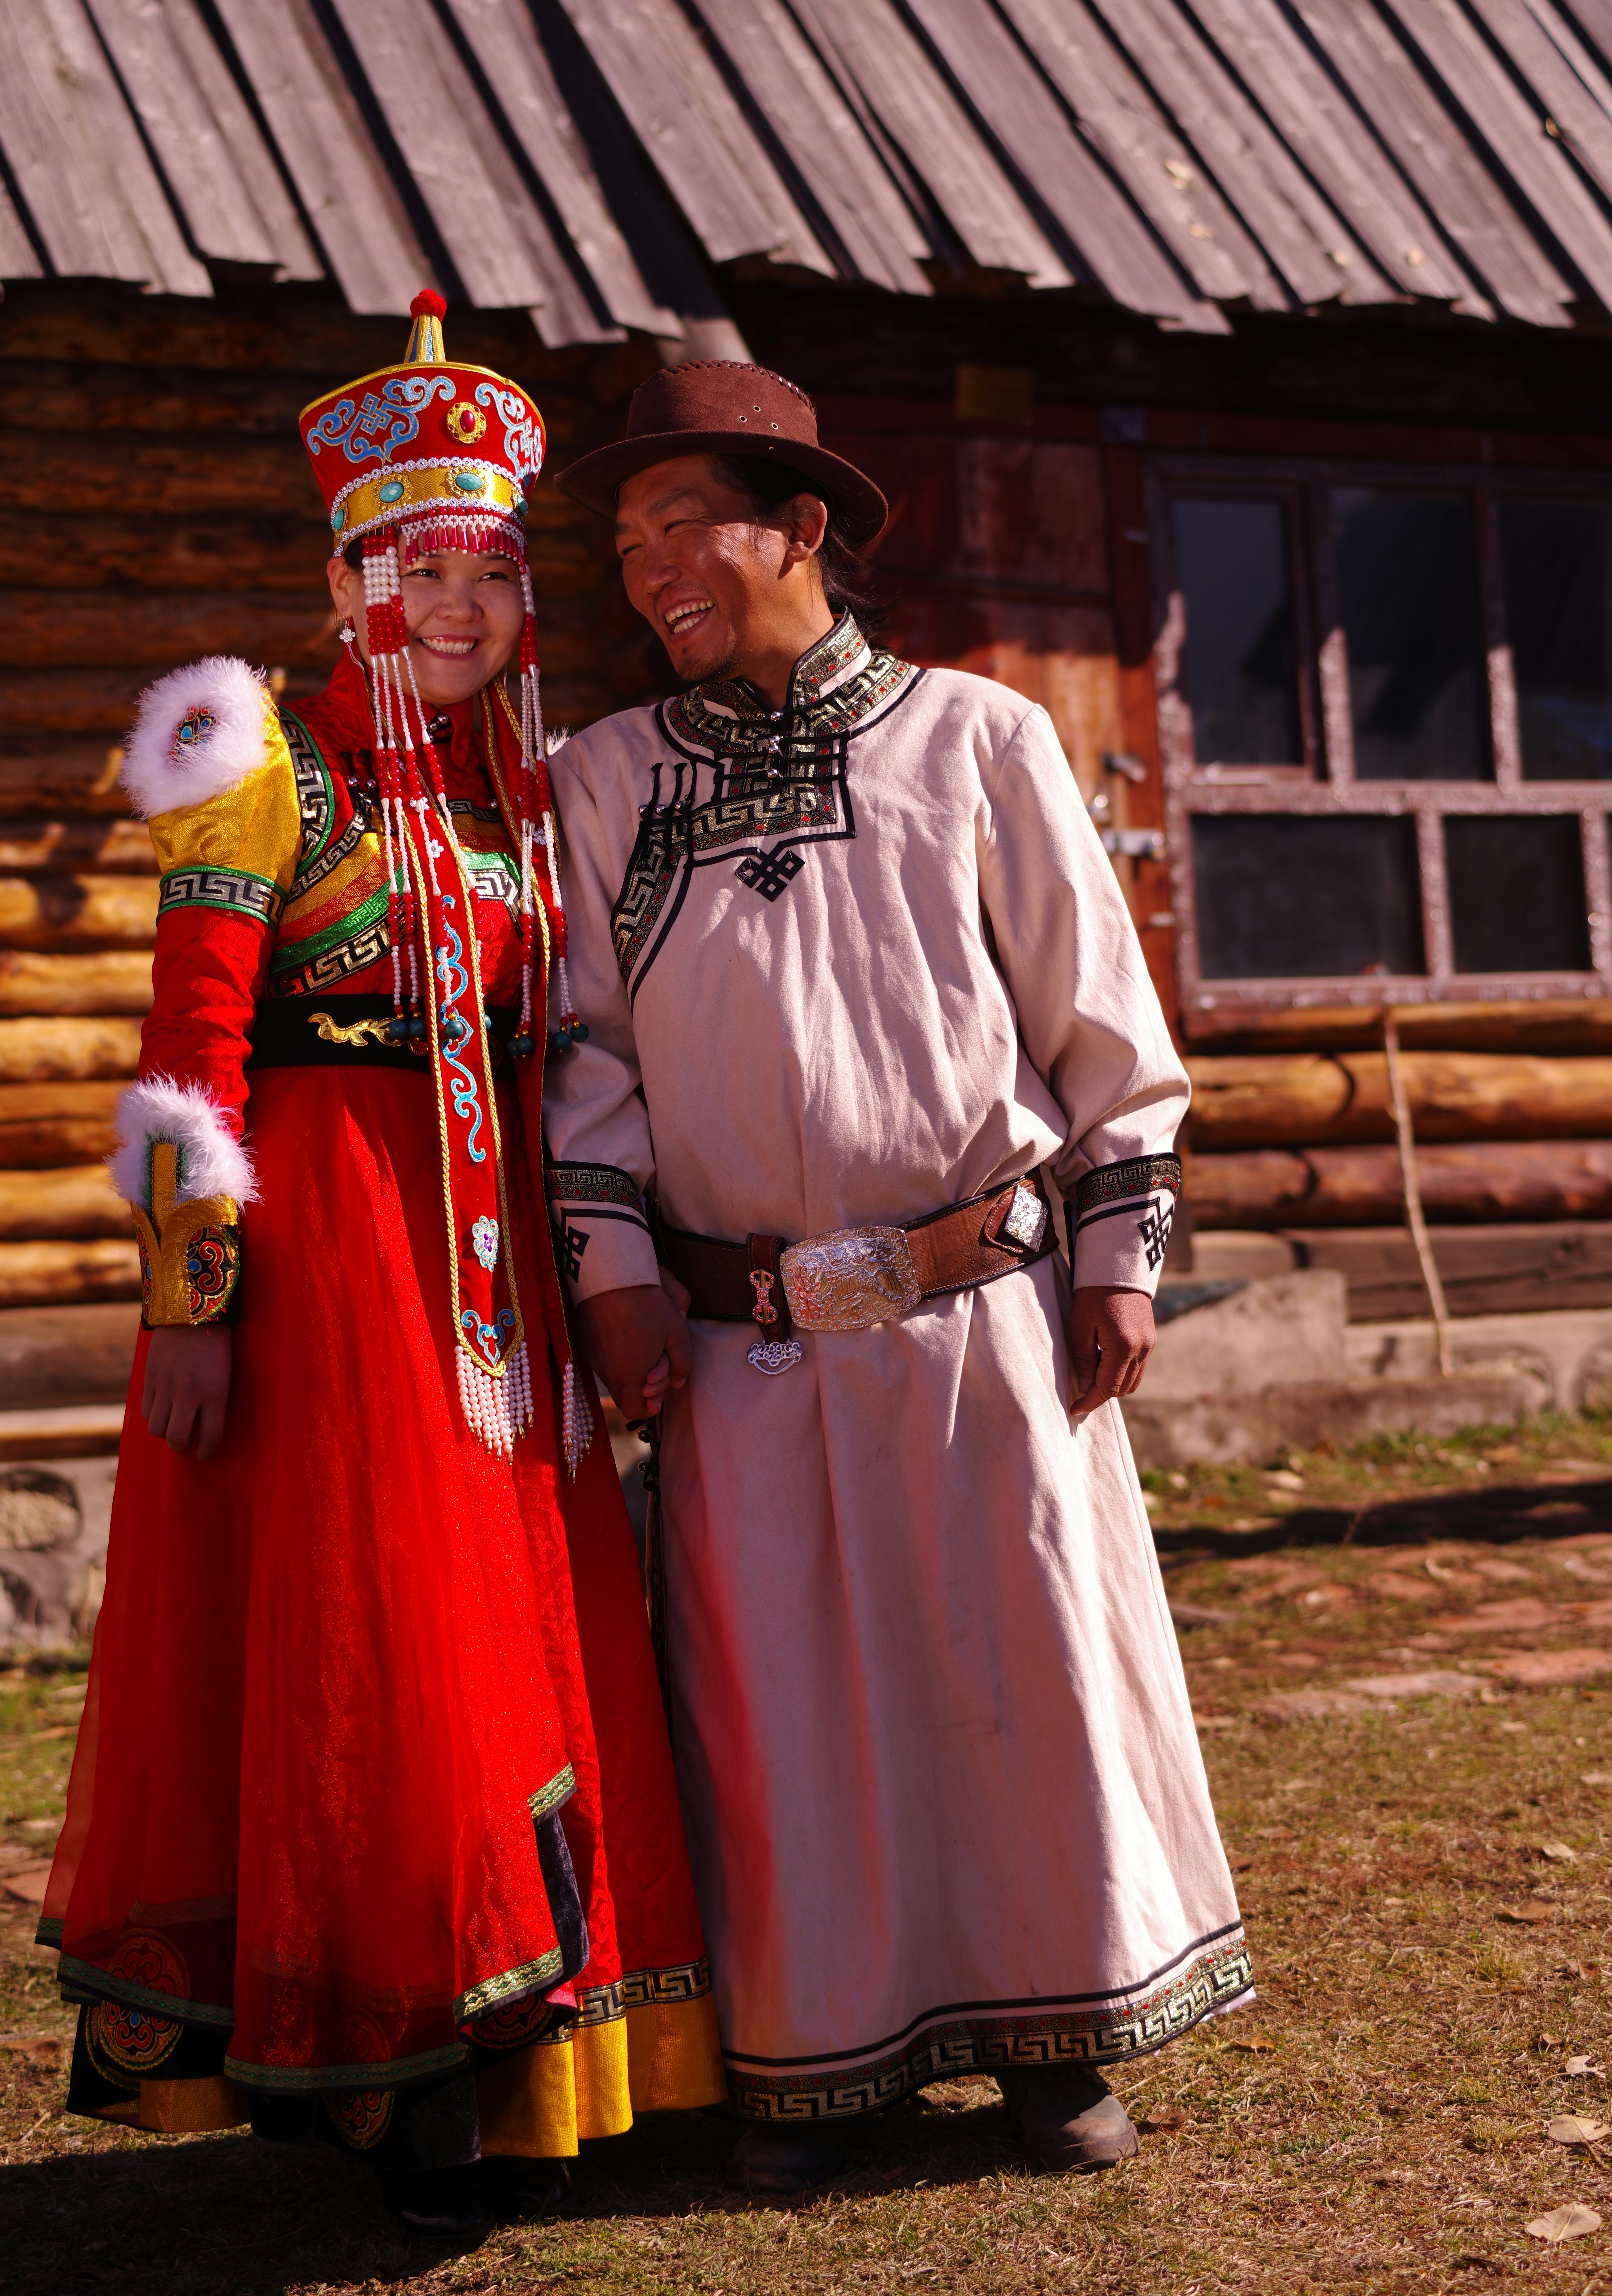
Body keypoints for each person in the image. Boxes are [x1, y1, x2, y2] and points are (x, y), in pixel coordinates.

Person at [38, 296, 723, 2240]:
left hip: (498, 1278)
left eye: (496, 573)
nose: (466, 604)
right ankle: (394, 2075)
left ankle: (543, 2056)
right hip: (333, 1273)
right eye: (427, 569)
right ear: (354, 580)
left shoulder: (527, 797)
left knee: (522, 1630)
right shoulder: (257, 764)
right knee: (383, 1646)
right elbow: (188, 1053)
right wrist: (194, 1303)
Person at [542, 362, 1250, 2194]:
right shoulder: (603, 782)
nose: (652, 568)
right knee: (780, 1708)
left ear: (801, 530)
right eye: (627, 543)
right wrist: (610, 1267)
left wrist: (1123, 1259)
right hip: (744, 1338)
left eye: (685, 523)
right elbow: (588, 1062)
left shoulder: (979, 741)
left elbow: (1106, 1032)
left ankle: (1056, 2041)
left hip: (981, 1314)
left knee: (1016, 1679)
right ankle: (821, 2063)